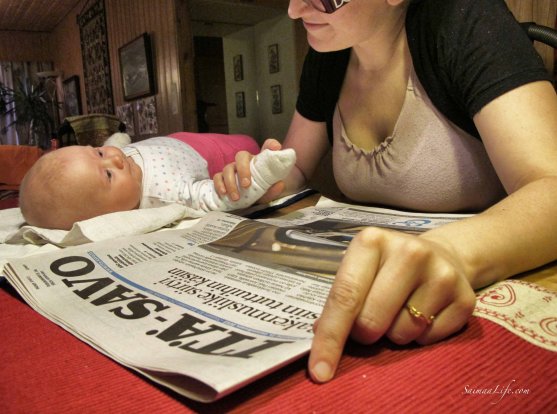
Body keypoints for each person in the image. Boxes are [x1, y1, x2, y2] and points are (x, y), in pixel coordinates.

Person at [214, 0, 557, 383]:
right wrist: (259, 180)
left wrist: (451, 251)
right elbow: (295, 166)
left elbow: (550, 186)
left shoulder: (464, 19)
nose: (294, 11)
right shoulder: (328, 55)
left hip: (486, 286)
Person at [19, 132, 296, 230]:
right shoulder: (161, 197)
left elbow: (116, 145)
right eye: (107, 175)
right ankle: (256, 149)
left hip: (180, 138)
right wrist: (260, 171)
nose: (114, 159)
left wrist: (117, 141)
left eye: (98, 152)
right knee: (246, 142)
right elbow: (215, 196)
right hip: (212, 155)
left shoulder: (117, 156)